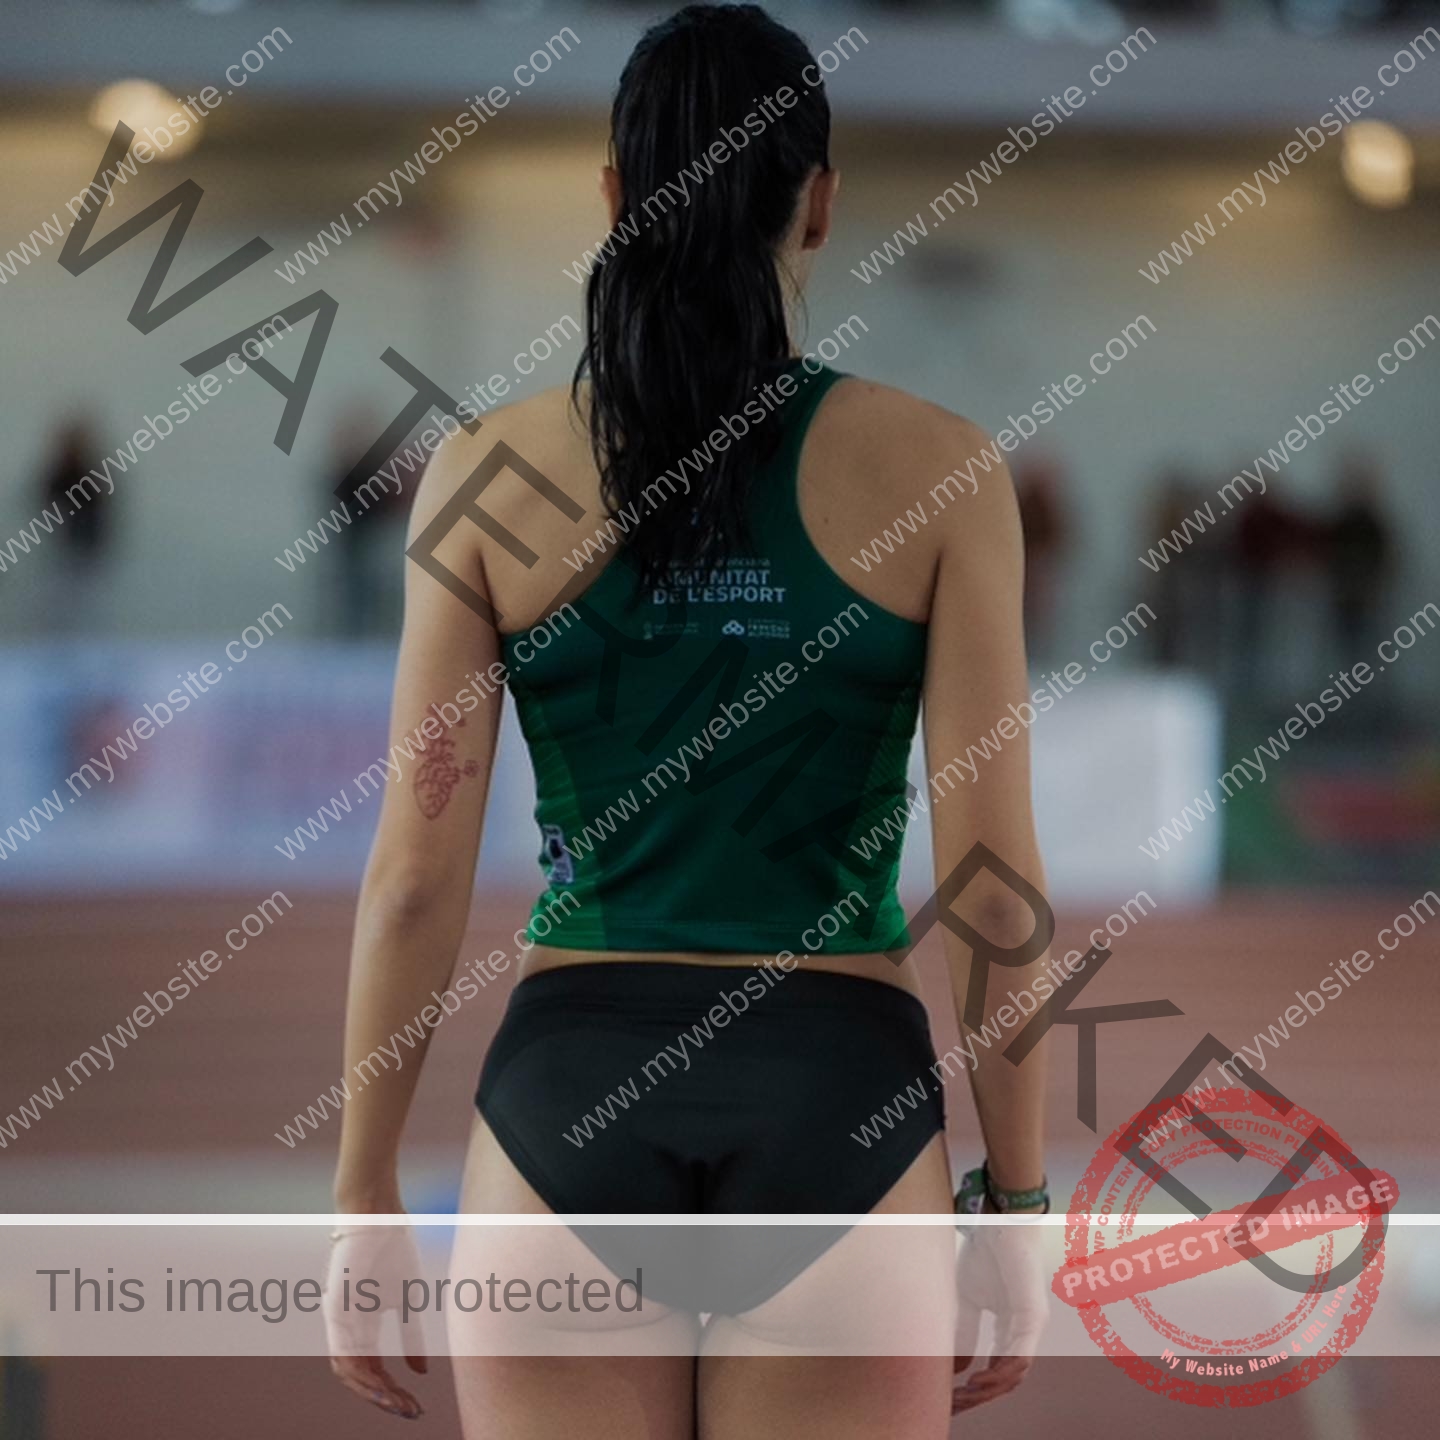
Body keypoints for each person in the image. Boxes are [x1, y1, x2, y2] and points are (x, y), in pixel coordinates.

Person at [326, 7, 1053, 1436]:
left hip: (567, 1094)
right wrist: (1015, 1203)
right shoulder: (945, 474)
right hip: (839, 1089)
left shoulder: (485, 472)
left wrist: (361, 1199)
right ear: (822, 202)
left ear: (612, 199)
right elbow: (995, 888)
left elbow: (414, 873)